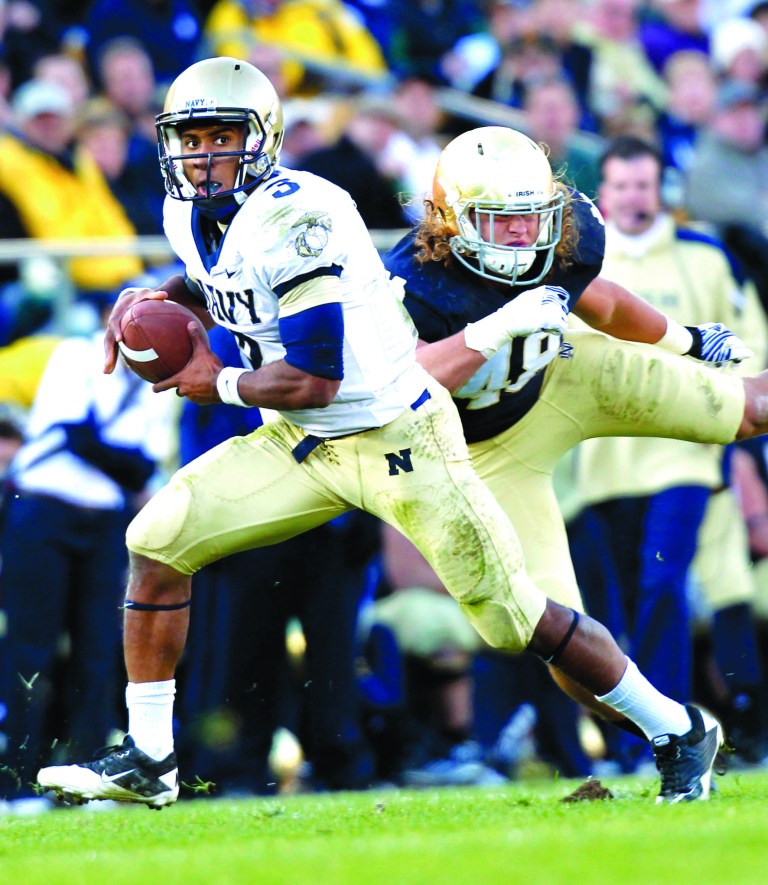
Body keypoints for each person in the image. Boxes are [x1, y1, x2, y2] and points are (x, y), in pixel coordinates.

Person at [33, 58, 768, 811]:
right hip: (306, 437)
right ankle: (149, 760)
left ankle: (678, 731)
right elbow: (229, 280)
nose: (205, 156)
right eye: (192, 139)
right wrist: (159, 294)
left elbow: (313, 374)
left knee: (515, 617)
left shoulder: (301, 216)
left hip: (397, 433)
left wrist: (211, 380)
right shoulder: (190, 213)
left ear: (265, 139)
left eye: (224, 137)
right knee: (156, 540)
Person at [382, 123, 768, 787]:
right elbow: (405, 382)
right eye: (496, 220)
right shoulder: (414, 283)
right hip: (493, 451)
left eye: (528, 216)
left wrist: (685, 339)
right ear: (449, 220)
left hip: (572, 378)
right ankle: (671, 732)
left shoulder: (561, 237)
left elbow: (604, 300)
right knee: (557, 642)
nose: (517, 235)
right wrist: (490, 328)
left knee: (747, 408)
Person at [570, 134, 768, 771]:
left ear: (661, 191)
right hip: (606, 465)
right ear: (605, 192)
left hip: (684, 457)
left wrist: (736, 421)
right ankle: (663, 737)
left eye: (644, 186)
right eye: (623, 186)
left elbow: (752, 348)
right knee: (628, 604)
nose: (634, 198)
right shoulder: (578, 270)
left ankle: (678, 736)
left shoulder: (704, 258)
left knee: (665, 586)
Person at [0, 305, 176, 807]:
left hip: (103, 525)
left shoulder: (155, 385)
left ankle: (84, 781)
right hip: (44, 514)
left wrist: (132, 469)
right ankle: (16, 782)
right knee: (30, 651)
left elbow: (137, 460)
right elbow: (80, 435)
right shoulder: (74, 356)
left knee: (99, 651)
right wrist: (133, 470)